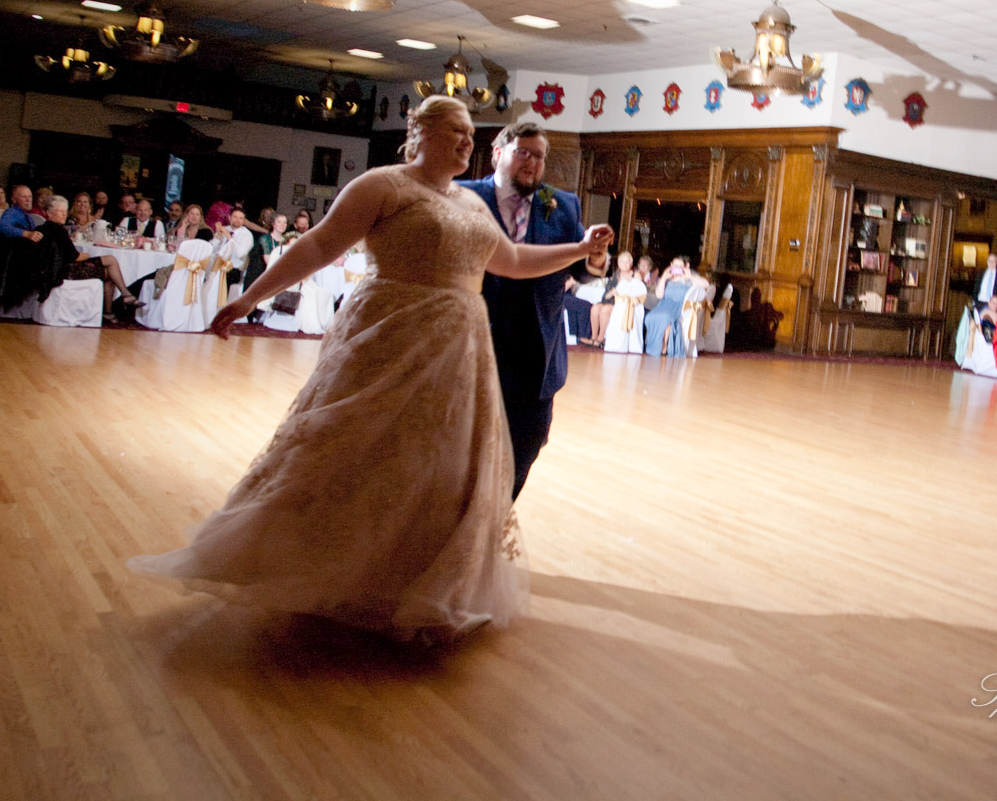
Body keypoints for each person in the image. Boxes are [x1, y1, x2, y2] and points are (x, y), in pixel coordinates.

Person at [132, 95, 613, 645]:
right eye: (454, 130)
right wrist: (250, 299)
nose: (464, 141)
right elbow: (318, 245)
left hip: (461, 351)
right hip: (394, 338)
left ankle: (418, 584)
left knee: (443, 467)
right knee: (367, 453)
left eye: (469, 135)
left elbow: (512, 261)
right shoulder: (382, 186)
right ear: (420, 133)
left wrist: (579, 248)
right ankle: (330, 572)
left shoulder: (470, 205)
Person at [458, 120, 601, 501]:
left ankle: (493, 519)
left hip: (537, 348)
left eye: (540, 156)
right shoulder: (463, 195)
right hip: (473, 340)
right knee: (464, 446)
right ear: (497, 153)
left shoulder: (562, 204)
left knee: (527, 444)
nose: (533, 163)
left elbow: (578, 271)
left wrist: (595, 259)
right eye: (524, 152)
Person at [34, 195, 141, 316]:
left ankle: (122, 298)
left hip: (56, 269)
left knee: (110, 262)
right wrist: (87, 254)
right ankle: (116, 304)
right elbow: (75, 257)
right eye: (60, 211)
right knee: (110, 270)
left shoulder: (41, 228)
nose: (64, 214)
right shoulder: (59, 231)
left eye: (65, 211)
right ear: (49, 212)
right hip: (65, 271)